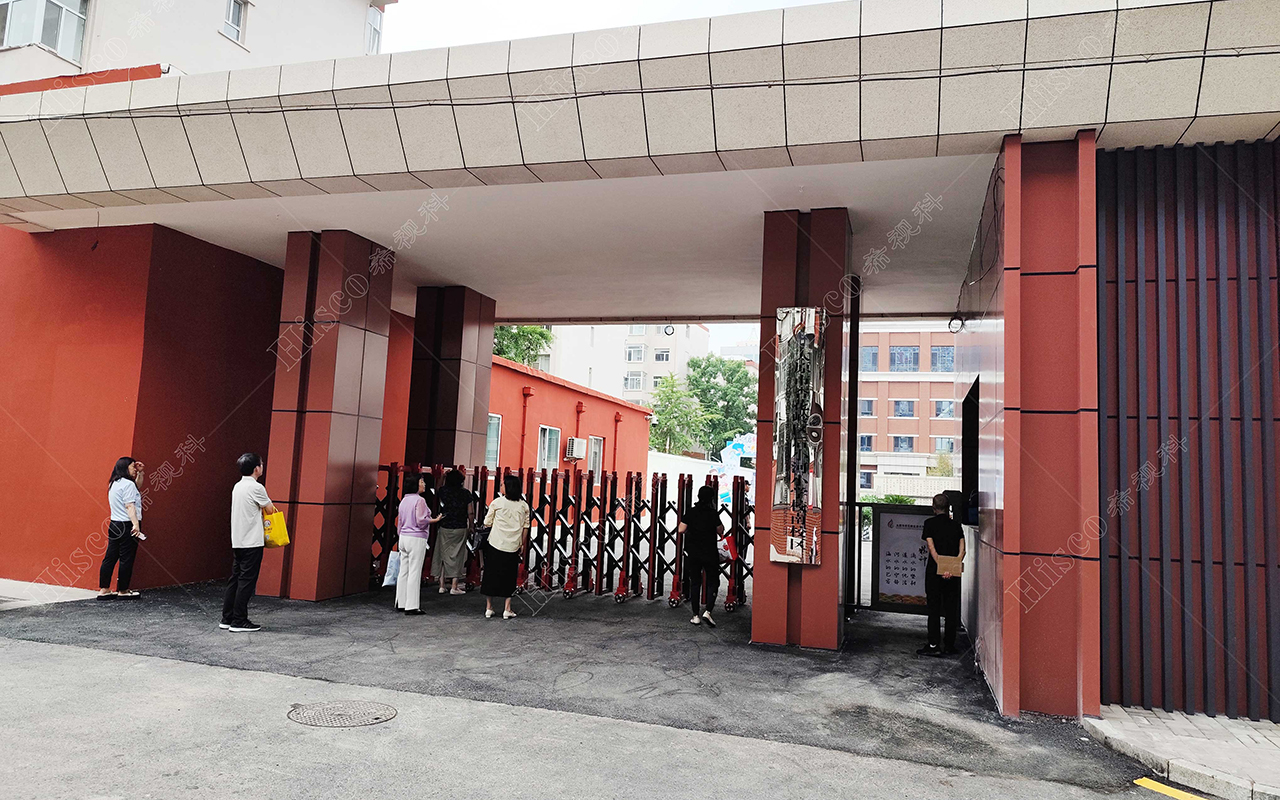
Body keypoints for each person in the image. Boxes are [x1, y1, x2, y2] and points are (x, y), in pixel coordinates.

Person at [221, 453, 276, 633]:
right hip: (252, 542)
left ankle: (227, 618)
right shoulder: (256, 487)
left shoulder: (237, 486)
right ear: (256, 468)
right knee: (246, 582)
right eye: (261, 464)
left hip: (238, 540)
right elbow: (270, 509)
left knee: (235, 579)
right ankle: (239, 620)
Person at [918, 493, 966, 657]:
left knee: (934, 608)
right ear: (948, 508)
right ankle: (949, 646)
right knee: (951, 609)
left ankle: (933, 644)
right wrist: (951, 568)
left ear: (934, 508)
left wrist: (941, 567)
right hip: (953, 574)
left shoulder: (929, 524)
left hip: (934, 573)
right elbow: (962, 550)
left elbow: (932, 549)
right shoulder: (956, 526)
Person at [481, 474, 530, 619]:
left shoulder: (497, 503)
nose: (501, 486)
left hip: (495, 544)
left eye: (502, 485)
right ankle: (507, 609)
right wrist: (521, 543)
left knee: (491, 575)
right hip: (512, 546)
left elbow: (487, 522)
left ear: (508, 487)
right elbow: (526, 527)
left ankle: (489, 607)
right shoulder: (523, 506)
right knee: (509, 577)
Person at [395, 474, 442, 615]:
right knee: (414, 571)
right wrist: (435, 520)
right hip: (416, 538)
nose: (424, 484)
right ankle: (412, 606)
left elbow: (400, 522)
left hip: (403, 537)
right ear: (416, 485)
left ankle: (401, 602)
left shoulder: (404, 500)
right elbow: (421, 521)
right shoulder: (420, 500)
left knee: (403, 571)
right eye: (421, 481)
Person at [99, 457, 145, 599]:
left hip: (115, 524)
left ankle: (104, 589)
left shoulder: (114, 483)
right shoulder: (128, 485)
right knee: (127, 558)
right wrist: (136, 525)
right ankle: (123, 590)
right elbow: (130, 505)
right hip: (127, 524)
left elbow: (136, 487)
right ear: (125, 468)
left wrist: (140, 473)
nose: (134, 469)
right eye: (132, 467)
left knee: (110, 557)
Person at [679, 484, 724, 627]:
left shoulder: (691, 512)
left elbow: (681, 529)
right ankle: (708, 611)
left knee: (695, 582)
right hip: (710, 553)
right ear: (711, 498)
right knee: (713, 582)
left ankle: (695, 615)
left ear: (698, 496)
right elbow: (720, 530)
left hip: (693, 552)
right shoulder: (713, 513)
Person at [432, 469, 473, 595]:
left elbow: (437, 488)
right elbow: (470, 512)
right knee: (458, 556)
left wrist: (442, 476)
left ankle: (441, 585)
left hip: (445, 526)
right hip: (460, 526)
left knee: (443, 555)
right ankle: (454, 586)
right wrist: (471, 526)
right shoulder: (466, 493)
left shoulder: (445, 491)